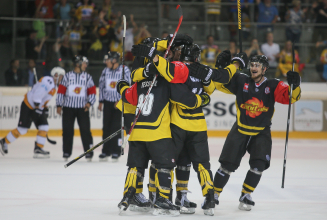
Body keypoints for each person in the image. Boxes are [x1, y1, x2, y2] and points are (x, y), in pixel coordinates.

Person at [189, 52, 301, 211]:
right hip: (240, 130)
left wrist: (295, 85)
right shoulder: (241, 80)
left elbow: (290, 97)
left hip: (261, 132)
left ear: (265, 69)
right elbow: (220, 83)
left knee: (258, 165)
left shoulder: (273, 85)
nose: (253, 68)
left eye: (257, 65)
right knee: (226, 165)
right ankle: (214, 195)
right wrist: (220, 68)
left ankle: (246, 194)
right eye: (252, 65)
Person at [116, 44, 210, 216]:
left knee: (135, 167)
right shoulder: (168, 81)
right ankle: (162, 200)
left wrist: (121, 86)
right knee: (165, 166)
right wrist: (200, 99)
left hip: (137, 132)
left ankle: (126, 197)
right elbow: (181, 98)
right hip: (158, 132)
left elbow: (128, 96)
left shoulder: (140, 83)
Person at [0, 67, 65, 157]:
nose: (62, 79)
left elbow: (43, 98)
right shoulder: (48, 82)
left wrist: (44, 108)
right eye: (62, 76)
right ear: (56, 75)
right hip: (29, 106)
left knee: (44, 126)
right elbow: (37, 96)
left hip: (37, 107)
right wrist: (38, 107)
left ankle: (38, 148)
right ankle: (4, 141)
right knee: (22, 129)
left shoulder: (53, 86)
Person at [56, 56, 96, 161]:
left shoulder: (87, 77)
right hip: (68, 108)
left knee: (85, 130)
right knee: (67, 130)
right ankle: (66, 152)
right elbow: (61, 91)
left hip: (83, 108)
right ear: (78, 64)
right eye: (84, 63)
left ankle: (88, 152)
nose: (86, 65)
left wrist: (89, 103)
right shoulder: (67, 76)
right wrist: (59, 105)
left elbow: (92, 92)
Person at [98, 52, 131, 161]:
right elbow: (101, 86)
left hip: (119, 103)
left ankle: (116, 151)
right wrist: (101, 101)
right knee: (106, 127)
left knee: (117, 127)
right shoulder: (105, 71)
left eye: (108, 60)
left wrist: (121, 101)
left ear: (114, 60)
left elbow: (128, 85)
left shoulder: (124, 70)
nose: (106, 62)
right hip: (108, 102)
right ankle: (106, 150)